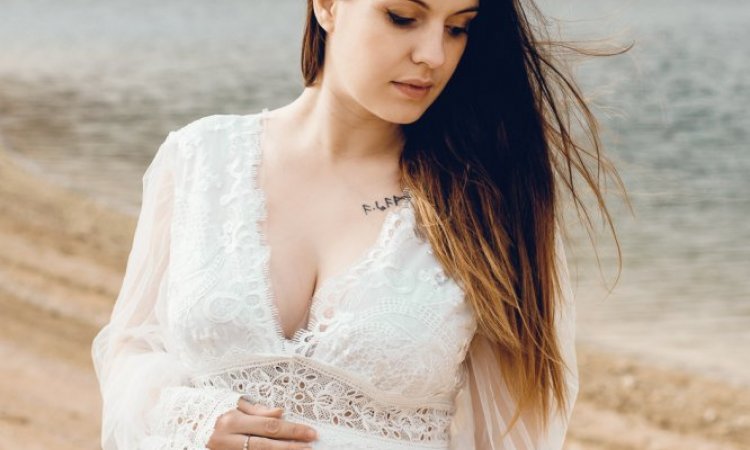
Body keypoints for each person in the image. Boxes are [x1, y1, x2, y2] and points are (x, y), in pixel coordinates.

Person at [92, 0, 625, 449]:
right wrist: (193, 419)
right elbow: (133, 348)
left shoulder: (486, 202)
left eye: (458, 27)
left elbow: (511, 433)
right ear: (326, 4)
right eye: (402, 17)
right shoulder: (198, 157)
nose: (433, 55)